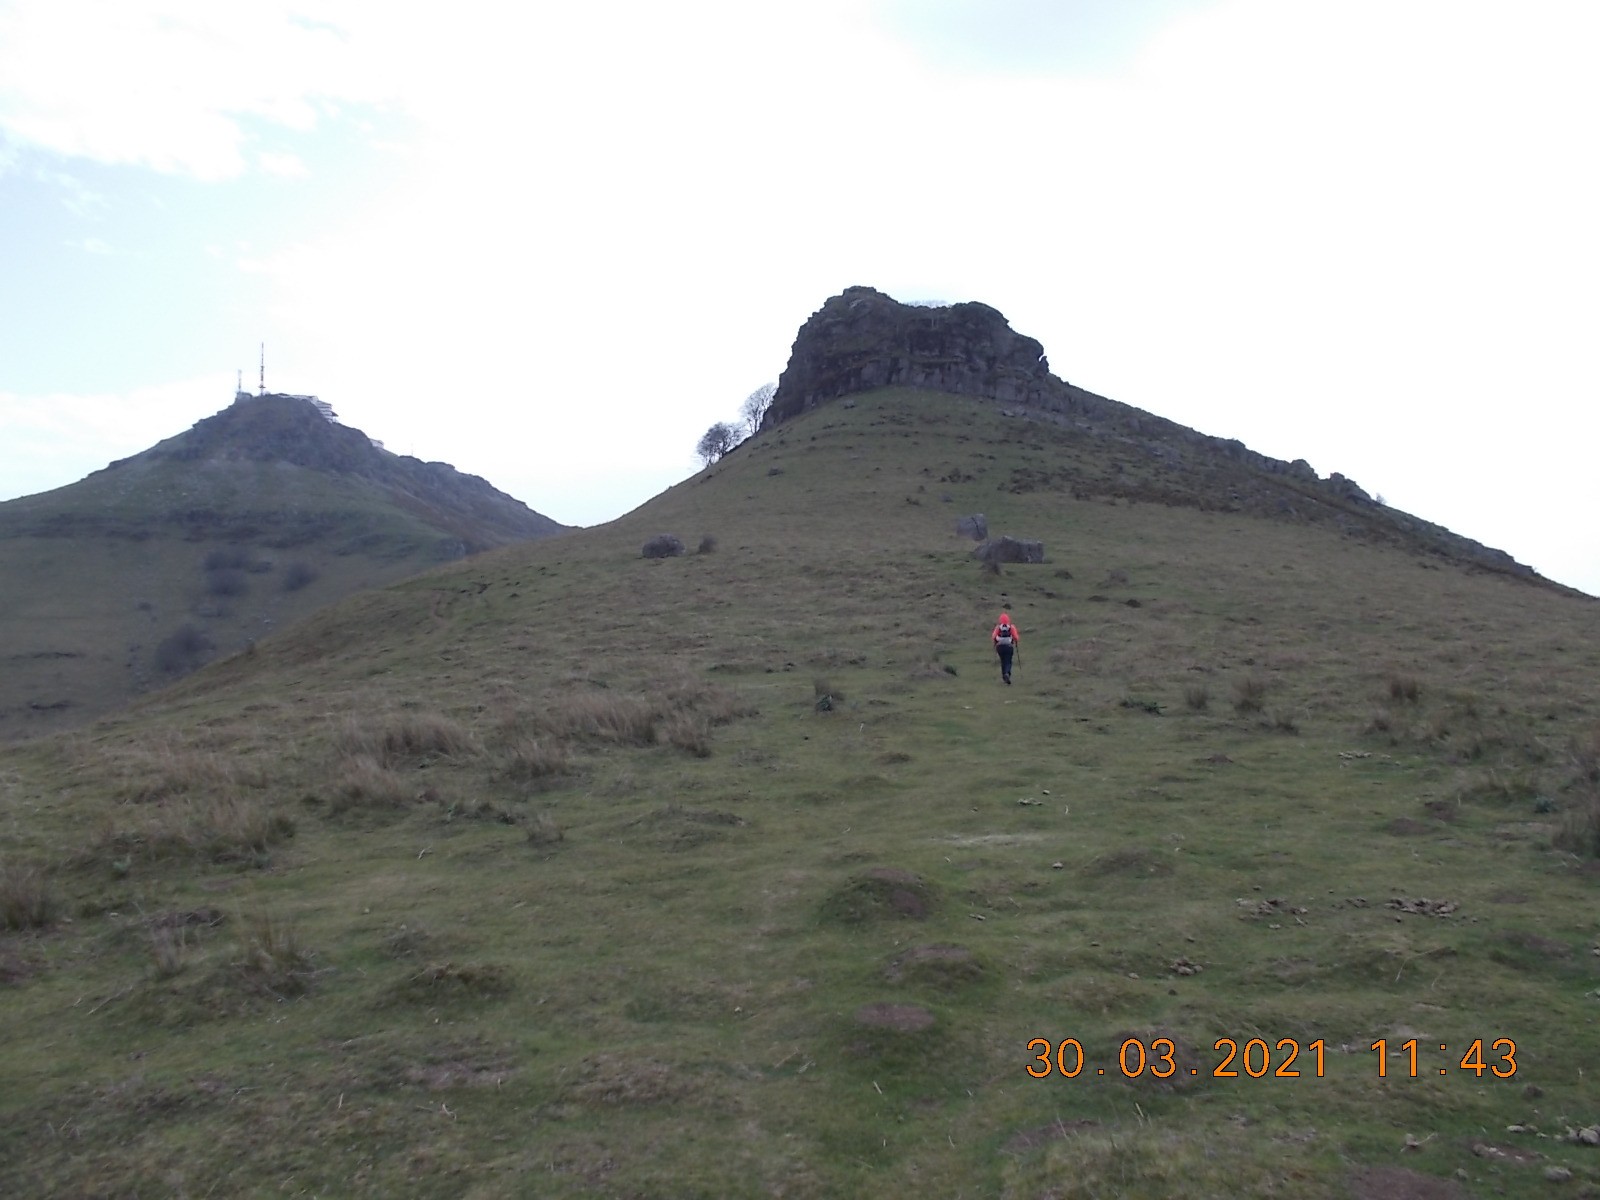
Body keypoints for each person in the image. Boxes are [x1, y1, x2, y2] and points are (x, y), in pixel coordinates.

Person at [991, 611, 1020, 684]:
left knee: (1003, 661)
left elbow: (993, 636)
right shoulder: (1011, 627)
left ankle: (1004, 676)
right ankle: (1007, 673)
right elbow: (1016, 637)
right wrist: (1015, 640)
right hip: (1008, 647)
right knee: (1008, 661)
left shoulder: (998, 627)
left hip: (1000, 647)